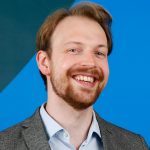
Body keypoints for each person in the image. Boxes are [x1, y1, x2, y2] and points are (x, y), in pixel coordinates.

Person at [0, 2, 148, 150]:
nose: (90, 63)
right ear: (45, 63)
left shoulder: (135, 145)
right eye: (74, 50)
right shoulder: (4, 144)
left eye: (99, 53)